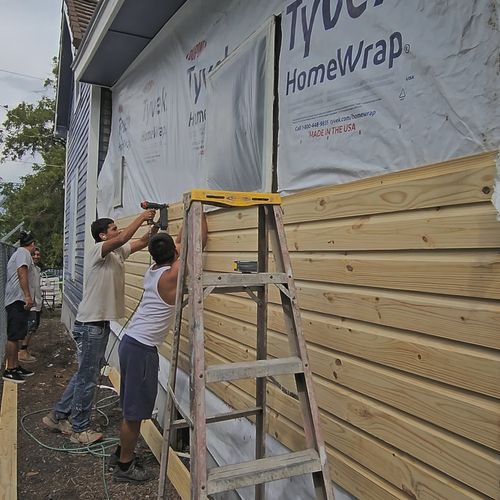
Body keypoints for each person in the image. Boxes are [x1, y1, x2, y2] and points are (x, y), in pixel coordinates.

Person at [42, 210, 157, 445]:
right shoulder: (98, 251)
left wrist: (155, 227)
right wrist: (142, 216)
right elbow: (124, 238)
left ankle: (57, 417)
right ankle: (79, 429)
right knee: (88, 378)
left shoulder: (116, 253)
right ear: (103, 236)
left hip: (98, 324)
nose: (118, 231)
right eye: (114, 228)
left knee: (84, 374)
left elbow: (141, 242)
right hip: (90, 326)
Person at [111, 214, 207, 483]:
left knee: (131, 407)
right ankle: (124, 466)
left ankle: (121, 453)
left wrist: (186, 219)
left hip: (131, 342)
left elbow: (180, 244)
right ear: (174, 254)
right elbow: (196, 245)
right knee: (135, 413)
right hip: (141, 349)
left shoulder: (155, 271)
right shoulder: (171, 276)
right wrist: (199, 212)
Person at [2, 231, 37, 383]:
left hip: (18, 299)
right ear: (32, 244)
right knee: (14, 336)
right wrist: (27, 296)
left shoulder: (20, 253)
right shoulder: (23, 253)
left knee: (17, 336)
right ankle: (9, 370)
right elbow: (22, 272)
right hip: (17, 300)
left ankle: (15, 366)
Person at [19, 247, 42, 363]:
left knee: (34, 326)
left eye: (38, 254)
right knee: (30, 326)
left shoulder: (37, 269)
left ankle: (25, 349)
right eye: (34, 254)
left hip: (37, 302)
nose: (36, 256)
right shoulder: (28, 269)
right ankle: (22, 351)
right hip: (30, 303)